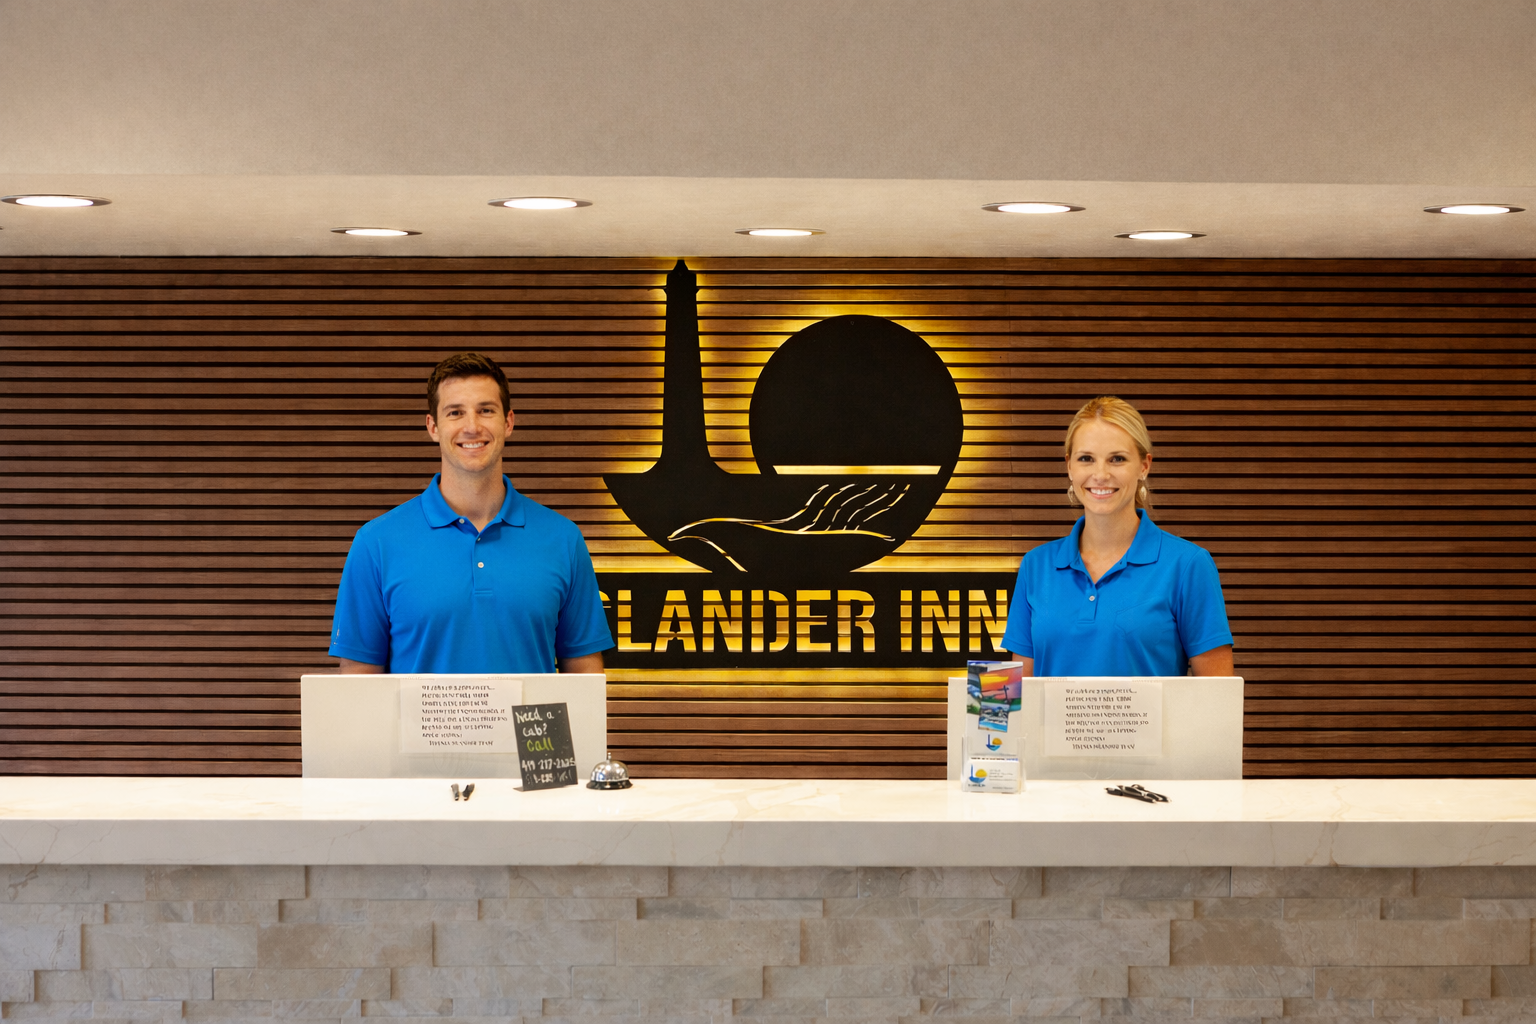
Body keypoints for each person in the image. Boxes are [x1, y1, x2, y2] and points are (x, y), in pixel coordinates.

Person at [328, 352, 613, 674]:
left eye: (485, 410)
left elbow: (584, 670)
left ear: (508, 422)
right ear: (433, 426)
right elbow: (358, 677)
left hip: (528, 728)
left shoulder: (562, 538)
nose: (472, 427)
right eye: (455, 413)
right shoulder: (376, 543)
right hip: (422, 728)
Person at [1001, 396, 1233, 677]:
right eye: (1086, 458)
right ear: (1069, 467)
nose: (1100, 474)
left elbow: (1217, 705)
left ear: (1144, 466)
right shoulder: (1035, 566)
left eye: (1117, 459)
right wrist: (983, 714)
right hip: (1047, 725)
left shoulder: (1188, 565)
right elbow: (1008, 703)